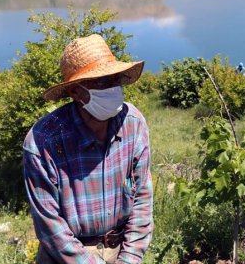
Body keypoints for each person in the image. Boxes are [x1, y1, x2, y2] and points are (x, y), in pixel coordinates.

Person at [23, 34, 153, 264]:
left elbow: (142, 197)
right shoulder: (44, 141)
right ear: (75, 91)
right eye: (101, 81)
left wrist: (130, 258)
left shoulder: (133, 123)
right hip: (65, 257)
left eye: (114, 79)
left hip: (121, 250)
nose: (112, 88)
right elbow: (50, 225)